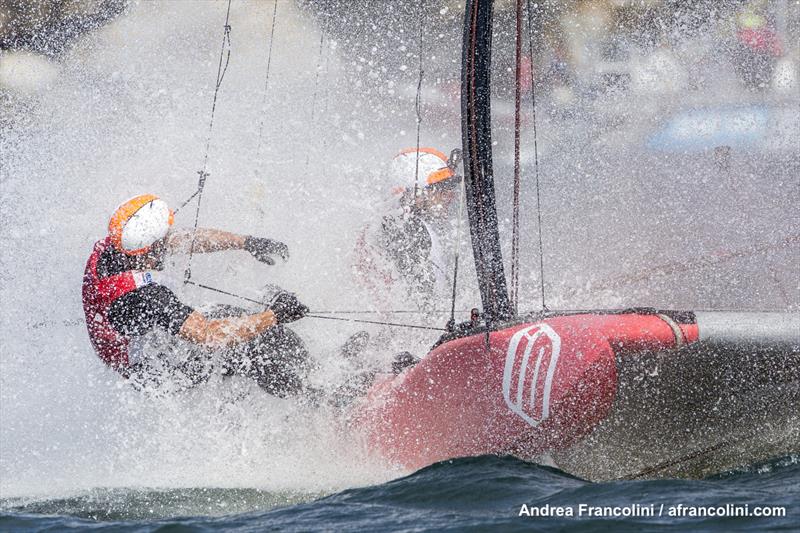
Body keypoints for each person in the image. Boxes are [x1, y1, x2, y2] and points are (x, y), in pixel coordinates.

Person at [82, 194, 311, 396]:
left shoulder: (117, 246)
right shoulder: (147, 297)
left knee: (238, 318)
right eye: (164, 240)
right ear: (149, 249)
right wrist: (275, 315)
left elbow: (182, 240)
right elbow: (210, 336)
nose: (171, 240)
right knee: (253, 345)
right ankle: (313, 394)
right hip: (155, 373)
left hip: (146, 338)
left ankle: (308, 368)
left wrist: (246, 242)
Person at [352, 147, 464, 318]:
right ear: (414, 192)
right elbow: (427, 304)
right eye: (440, 190)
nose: (449, 197)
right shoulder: (405, 229)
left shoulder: (391, 222)